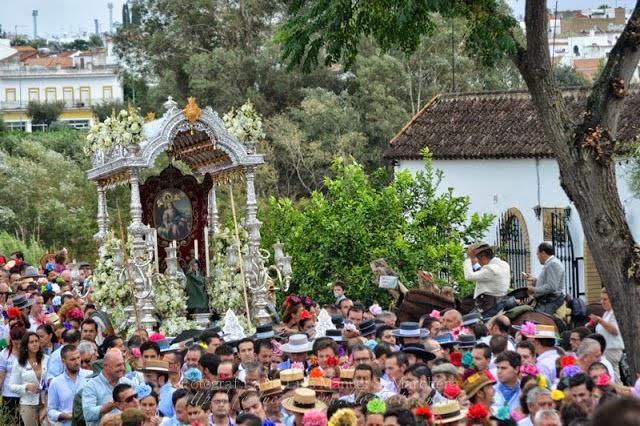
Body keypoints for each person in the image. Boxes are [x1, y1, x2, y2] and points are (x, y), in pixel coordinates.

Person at [82, 349, 132, 426]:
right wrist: (107, 407)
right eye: (118, 365)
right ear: (106, 366)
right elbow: (88, 414)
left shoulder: (128, 383)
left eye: (123, 364)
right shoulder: (91, 386)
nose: (123, 368)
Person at [48, 344, 93, 426]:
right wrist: (65, 416)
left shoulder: (91, 376)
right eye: (72, 359)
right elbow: (51, 410)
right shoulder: (56, 382)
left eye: (78, 358)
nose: (77, 362)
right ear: (63, 361)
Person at [9, 331, 48, 426]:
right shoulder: (18, 363)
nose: (35, 344)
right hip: (28, 404)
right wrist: (26, 387)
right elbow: (11, 386)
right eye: (31, 342)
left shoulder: (47, 359)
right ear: (25, 345)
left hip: (46, 402)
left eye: (36, 341)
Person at [463, 243, 510, 316]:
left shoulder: (490, 269)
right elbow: (483, 272)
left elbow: (469, 276)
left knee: (468, 322)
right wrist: (475, 263)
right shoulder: (503, 264)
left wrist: (468, 258)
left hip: (488, 306)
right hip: (501, 301)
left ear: (483, 257)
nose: (478, 262)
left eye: (478, 259)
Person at [590, 288, 624, 380]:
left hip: (612, 349)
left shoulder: (615, 313)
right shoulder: (606, 313)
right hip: (605, 349)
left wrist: (599, 321)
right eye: (601, 299)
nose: (602, 302)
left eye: (605, 299)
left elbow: (614, 331)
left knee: (613, 376)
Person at [524, 243, 565, 315]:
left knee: (538, 321)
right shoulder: (550, 263)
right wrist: (533, 280)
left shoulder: (553, 264)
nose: (537, 257)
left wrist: (533, 289)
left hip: (551, 300)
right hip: (548, 299)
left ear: (543, 253)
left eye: (538, 254)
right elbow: (546, 283)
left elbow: (552, 287)